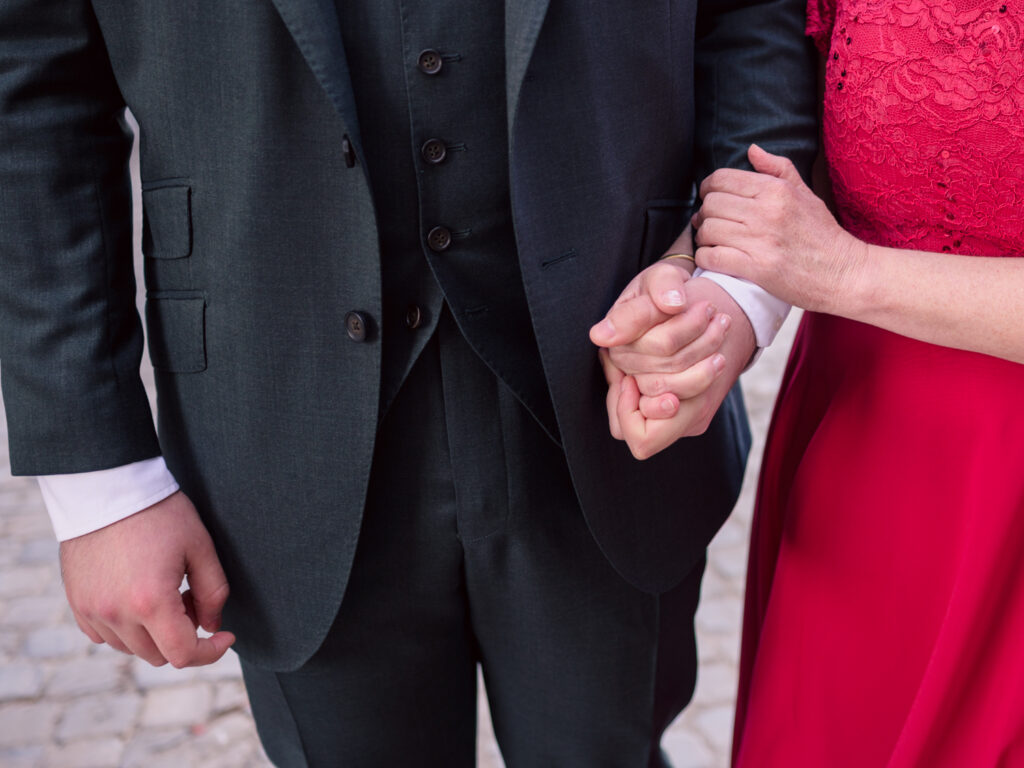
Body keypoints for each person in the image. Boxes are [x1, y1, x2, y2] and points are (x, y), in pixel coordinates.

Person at [0, 2, 815, 766]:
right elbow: (34, 85)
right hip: (275, 405)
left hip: (615, 384)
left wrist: (735, 283)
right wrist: (101, 477)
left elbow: (749, 12)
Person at [687, 0, 1024, 763]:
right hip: (866, 468)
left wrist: (850, 274)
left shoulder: (851, 278)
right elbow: (776, 123)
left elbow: (824, 255)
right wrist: (698, 290)